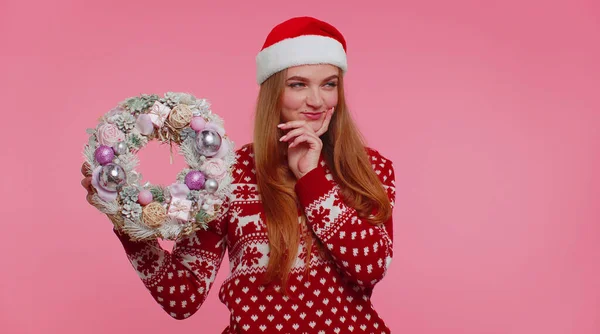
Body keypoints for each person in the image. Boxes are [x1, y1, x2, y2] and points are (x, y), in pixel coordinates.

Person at [81, 16, 396, 333]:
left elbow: (369, 267)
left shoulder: (368, 169)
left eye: (329, 84)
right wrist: (124, 214)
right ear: (274, 91)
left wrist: (310, 176)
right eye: (298, 84)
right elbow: (183, 297)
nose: (317, 100)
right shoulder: (227, 172)